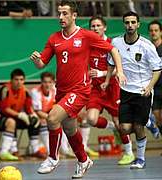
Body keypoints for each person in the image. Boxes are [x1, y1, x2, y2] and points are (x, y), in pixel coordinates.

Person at [30, 1, 126, 178]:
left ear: (74, 16)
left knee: (52, 118)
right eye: (59, 13)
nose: (61, 17)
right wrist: (37, 60)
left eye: (65, 13)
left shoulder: (86, 36)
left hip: (80, 90)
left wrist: (119, 71)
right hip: (62, 91)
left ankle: (52, 158)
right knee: (70, 129)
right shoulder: (54, 38)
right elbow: (42, 63)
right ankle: (83, 160)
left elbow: (113, 50)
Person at [104, 11, 162, 169]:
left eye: (133, 22)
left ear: (138, 24)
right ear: (124, 24)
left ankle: (140, 159)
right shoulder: (116, 43)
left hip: (143, 91)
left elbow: (157, 69)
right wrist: (108, 80)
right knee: (124, 128)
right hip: (125, 91)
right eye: (127, 22)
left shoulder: (146, 45)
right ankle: (149, 121)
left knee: (138, 127)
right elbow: (110, 63)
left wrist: (149, 87)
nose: (130, 25)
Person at [86, 16, 135, 164]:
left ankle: (129, 153)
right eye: (93, 26)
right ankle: (111, 127)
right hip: (96, 89)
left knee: (121, 123)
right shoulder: (88, 45)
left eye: (98, 25)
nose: (95, 28)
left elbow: (121, 68)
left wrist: (101, 73)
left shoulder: (112, 44)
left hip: (112, 88)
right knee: (91, 119)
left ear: (104, 28)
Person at [0, 68, 45, 161]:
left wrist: (33, 115)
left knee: (34, 122)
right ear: (11, 80)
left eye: (21, 80)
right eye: (16, 79)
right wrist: (19, 115)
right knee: (11, 121)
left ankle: (34, 150)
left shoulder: (26, 92)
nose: (19, 82)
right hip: (2, 118)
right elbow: (4, 109)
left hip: (16, 116)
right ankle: (13, 150)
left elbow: (28, 108)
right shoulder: (5, 90)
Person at [31, 72, 56, 154]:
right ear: (41, 82)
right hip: (34, 114)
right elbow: (38, 111)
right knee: (43, 122)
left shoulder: (55, 90)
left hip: (46, 114)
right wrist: (51, 118)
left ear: (53, 83)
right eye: (45, 82)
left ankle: (65, 149)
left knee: (63, 121)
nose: (47, 84)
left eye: (50, 82)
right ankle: (49, 151)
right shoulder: (35, 92)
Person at [148, 20, 162, 137]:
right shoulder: (148, 49)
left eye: (156, 30)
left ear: (160, 32)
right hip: (155, 88)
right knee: (158, 118)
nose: (153, 33)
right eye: (151, 31)